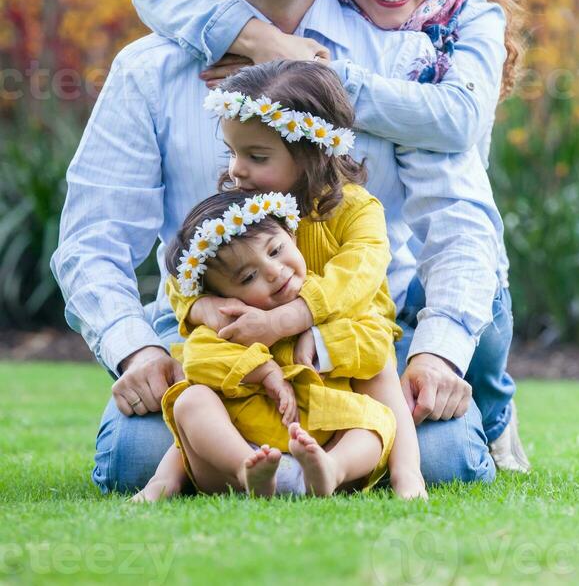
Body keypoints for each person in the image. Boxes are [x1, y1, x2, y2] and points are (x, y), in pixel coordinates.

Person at [52, 0, 521, 497]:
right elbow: (92, 239)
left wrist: (438, 351)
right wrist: (139, 348)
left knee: (445, 460)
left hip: (363, 340)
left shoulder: (399, 57)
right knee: (131, 460)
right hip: (216, 334)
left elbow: (461, 224)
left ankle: (359, 446)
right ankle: (277, 458)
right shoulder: (150, 69)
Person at [136, 188, 395, 499]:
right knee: (191, 401)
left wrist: (321, 342)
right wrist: (264, 370)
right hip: (244, 441)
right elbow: (198, 360)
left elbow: (375, 347)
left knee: (374, 422)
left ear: (291, 234)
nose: (274, 272)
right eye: (248, 278)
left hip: (324, 438)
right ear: (223, 296)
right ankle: (246, 469)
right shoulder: (232, 321)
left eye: (275, 251)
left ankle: (332, 469)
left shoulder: (327, 299)